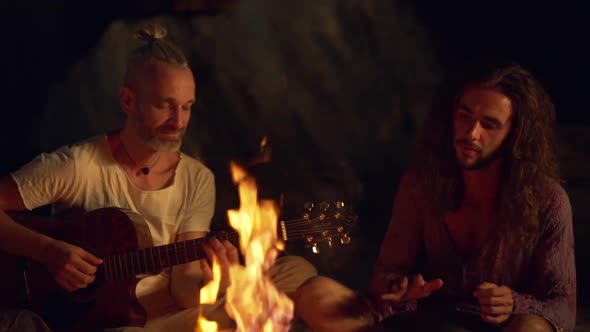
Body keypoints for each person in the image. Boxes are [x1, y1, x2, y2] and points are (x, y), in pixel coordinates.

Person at [0, 25, 317, 331]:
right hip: (109, 321)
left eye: (187, 107)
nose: (178, 122)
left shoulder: (196, 179)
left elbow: (184, 291)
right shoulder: (75, 166)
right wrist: (47, 251)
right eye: (165, 106)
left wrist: (216, 275)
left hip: (174, 315)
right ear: (128, 101)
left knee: (294, 273)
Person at [294, 60, 576, 332]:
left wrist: (513, 303)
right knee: (316, 292)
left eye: (489, 125)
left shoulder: (548, 200)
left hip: (502, 328)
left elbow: (564, 309)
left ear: (514, 135)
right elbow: (384, 277)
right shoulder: (423, 184)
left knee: (532, 328)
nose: (471, 133)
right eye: (465, 116)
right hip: (428, 323)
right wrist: (401, 289)